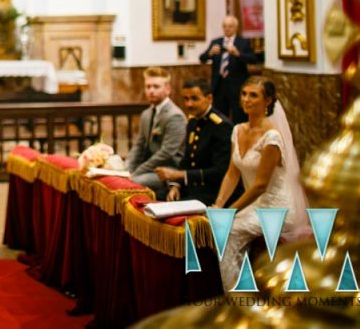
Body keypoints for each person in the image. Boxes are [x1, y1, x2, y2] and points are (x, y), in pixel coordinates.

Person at [212, 77, 311, 291]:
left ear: (268, 101)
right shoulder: (238, 129)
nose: (246, 100)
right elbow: (232, 173)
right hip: (256, 205)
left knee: (227, 231)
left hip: (277, 208)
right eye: (244, 94)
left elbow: (260, 185)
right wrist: (219, 204)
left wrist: (230, 212)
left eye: (253, 95)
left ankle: (239, 298)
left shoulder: (272, 137)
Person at [155, 78, 232, 206]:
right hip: (191, 186)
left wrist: (179, 174)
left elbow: (220, 171)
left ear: (209, 99)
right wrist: (176, 186)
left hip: (212, 191)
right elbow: (187, 160)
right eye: (186, 99)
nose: (189, 104)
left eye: (194, 99)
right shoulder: (193, 121)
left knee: (172, 208)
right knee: (155, 198)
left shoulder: (221, 126)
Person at [125, 66, 187, 199]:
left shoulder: (175, 116)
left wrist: (136, 173)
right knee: (118, 178)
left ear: (167, 89)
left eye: (156, 86)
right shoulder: (147, 114)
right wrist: (127, 167)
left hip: (168, 171)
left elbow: (166, 153)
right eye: (148, 87)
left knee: (131, 183)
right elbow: (139, 145)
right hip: (149, 167)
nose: (151, 91)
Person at [199, 15, 257, 122]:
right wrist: (210, 53)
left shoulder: (243, 42)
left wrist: (238, 54)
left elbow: (253, 59)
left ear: (235, 28)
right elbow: (202, 58)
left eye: (230, 26)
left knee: (239, 116)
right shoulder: (216, 42)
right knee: (219, 117)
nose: (227, 29)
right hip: (219, 85)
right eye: (224, 26)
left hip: (237, 86)